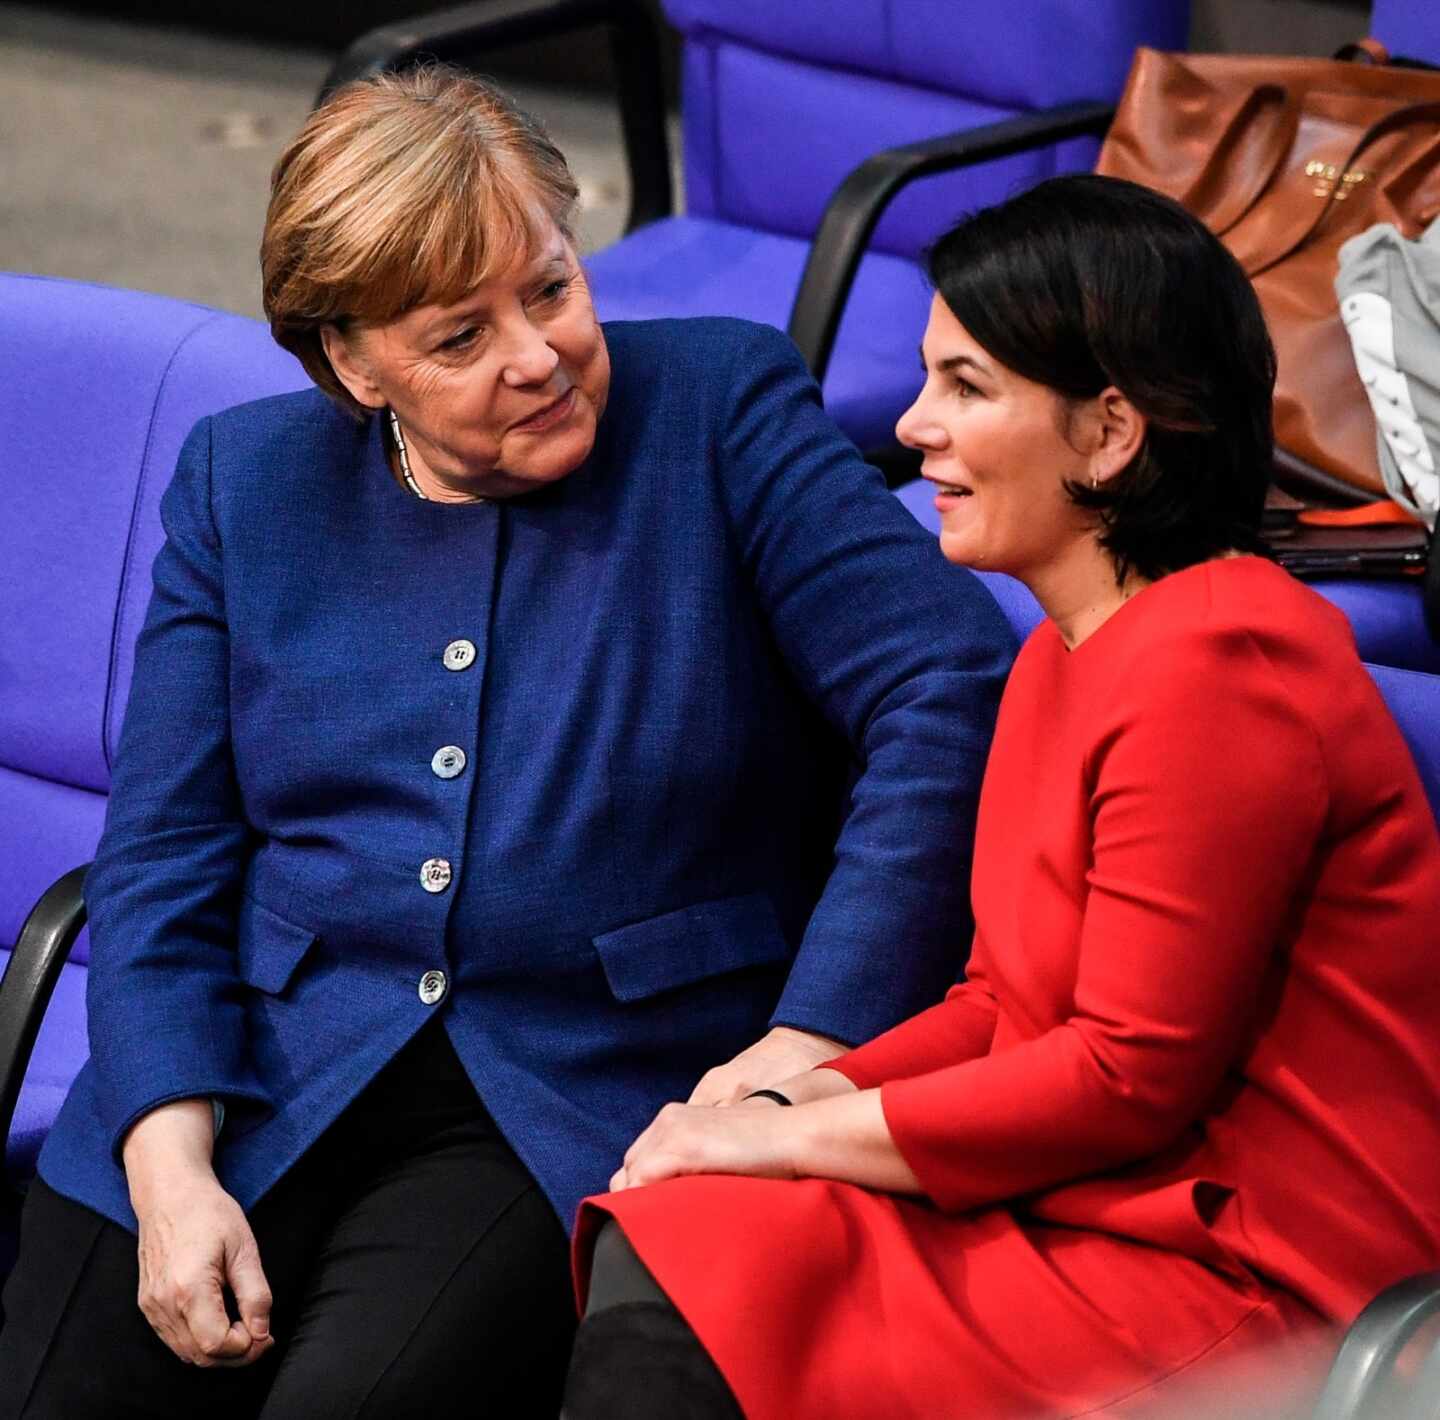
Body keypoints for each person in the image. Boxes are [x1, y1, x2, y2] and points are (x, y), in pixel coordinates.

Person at [0, 67, 1016, 1420]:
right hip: (263, 1053)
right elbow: (167, 851)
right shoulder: (245, 482)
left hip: (573, 1079)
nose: (535, 354)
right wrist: (168, 1158)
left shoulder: (717, 409)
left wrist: (812, 1037)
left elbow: (946, 681)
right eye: (459, 337)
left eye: (549, 288)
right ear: (353, 365)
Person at [562, 175, 1440, 1420]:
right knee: (685, 1239)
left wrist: (783, 1136)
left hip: (1247, 1266)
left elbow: (1124, 1074)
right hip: (1101, 1195)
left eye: (965, 387)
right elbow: (1002, 1000)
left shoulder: (1223, 669)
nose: (914, 427)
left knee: (712, 1266)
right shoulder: (1058, 646)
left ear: (1110, 433)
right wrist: (800, 1094)